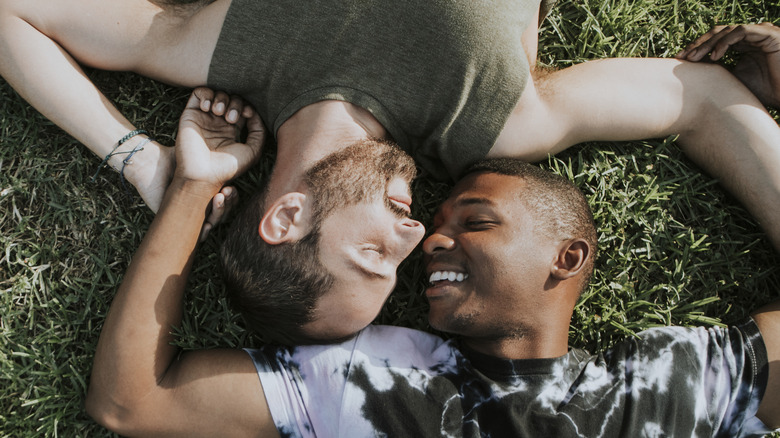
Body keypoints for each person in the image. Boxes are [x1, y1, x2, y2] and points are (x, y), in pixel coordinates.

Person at [3, 0, 780, 342]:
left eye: (374, 254)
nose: (415, 233)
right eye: (399, 263)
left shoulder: (211, 49)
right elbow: (703, 99)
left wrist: (146, 165)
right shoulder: (495, 121)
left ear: (286, 218)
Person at [84, 92, 779, 435]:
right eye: (435, 225)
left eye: (475, 222)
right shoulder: (364, 376)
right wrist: (194, 188)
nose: (429, 241)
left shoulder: (659, 393)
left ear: (568, 259)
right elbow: (129, 402)